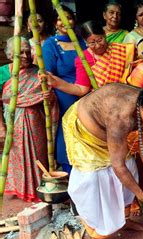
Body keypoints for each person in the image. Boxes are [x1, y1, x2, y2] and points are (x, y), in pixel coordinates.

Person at [63, 85, 143, 239]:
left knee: (131, 168)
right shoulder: (121, 119)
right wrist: (142, 195)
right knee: (93, 181)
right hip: (86, 134)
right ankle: (95, 234)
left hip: (110, 133)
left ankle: (123, 219)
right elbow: (118, 166)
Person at [0, 37, 52, 202]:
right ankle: (21, 188)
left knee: (39, 154)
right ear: (10, 55)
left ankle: (40, 186)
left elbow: (50, 99)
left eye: (27, 52)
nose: (25, 56)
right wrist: (1, 127)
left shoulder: (39, 71)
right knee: (17, 155)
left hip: (37, 121)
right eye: (20, 53)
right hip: (12, 121)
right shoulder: (3, 73)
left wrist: (49, 97)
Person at [42, 4, 87, 174]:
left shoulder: (81, 41)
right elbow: (48, 74)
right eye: (60, 18)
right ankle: (68, 169)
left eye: (68, 17)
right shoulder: (50, 44)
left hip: (85, 93)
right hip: (63, 95)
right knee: (67, 130)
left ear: (74, 20)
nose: (64, 22)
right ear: (55, 23)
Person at [44, 20, 135, 95]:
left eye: (100, 40)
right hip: (102, 100)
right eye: (92, 43)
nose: (98, 45)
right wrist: (56, 83)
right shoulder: (83, 59)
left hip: (127, 93)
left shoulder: (120, 49)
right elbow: (81, 89)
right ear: (85, 43)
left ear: (105, 34)